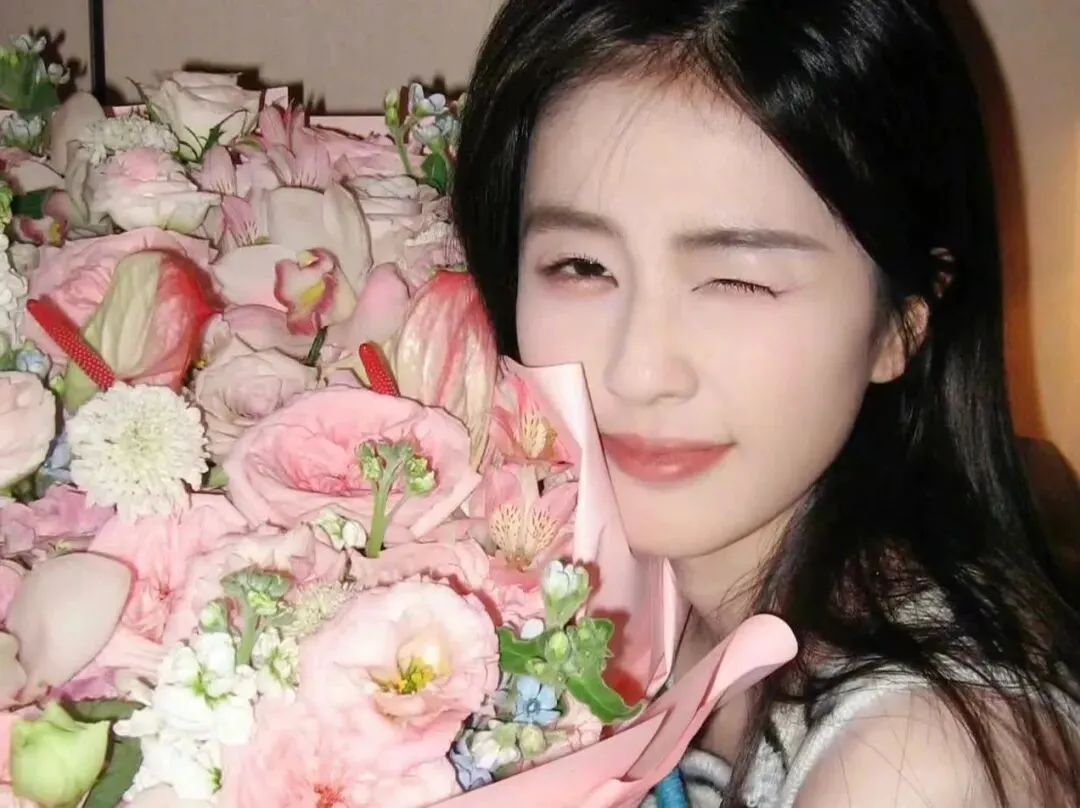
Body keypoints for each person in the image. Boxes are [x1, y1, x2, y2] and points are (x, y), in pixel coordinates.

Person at [449, 0, 1080, 806]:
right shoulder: (596, 580)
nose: (638, 372)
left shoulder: (914, 765)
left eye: (738, 280)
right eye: (581, 266)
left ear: (902, 324)